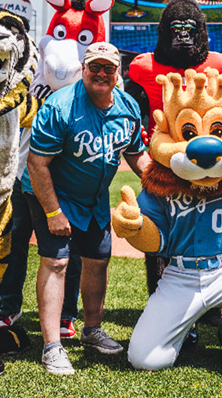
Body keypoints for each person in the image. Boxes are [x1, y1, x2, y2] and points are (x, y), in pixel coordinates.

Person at [25, 42, 150, 376]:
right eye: (94, 66)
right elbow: (37, 164)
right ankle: (52, 346)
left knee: (98, 260)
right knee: (56, 261)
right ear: (83, 69)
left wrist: (162, 184)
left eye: (109, 68)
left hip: (93, 198)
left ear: (118, 72)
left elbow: (136, 154)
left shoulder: (127, 106)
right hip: (52, 191)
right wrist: (53, 212)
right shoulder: (60, 106)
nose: (101, 73)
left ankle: (92, 329)